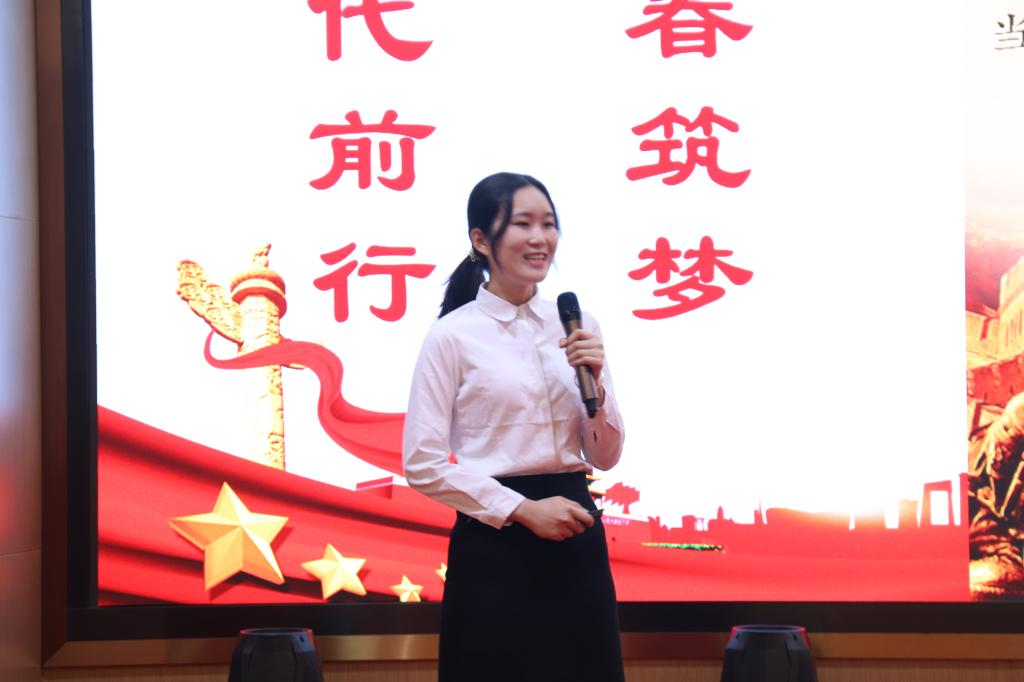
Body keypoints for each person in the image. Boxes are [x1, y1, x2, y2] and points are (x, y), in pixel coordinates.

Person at [402, 172, 626, 681]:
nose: (540, 238)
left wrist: (595, 384)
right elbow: (422, 463)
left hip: (575, 532)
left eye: (548, 224)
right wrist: (523, 510)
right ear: (481, 239)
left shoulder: (579, 324)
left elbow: (606, 456)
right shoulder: (452, 336)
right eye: (522, 224)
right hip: (495, 542)